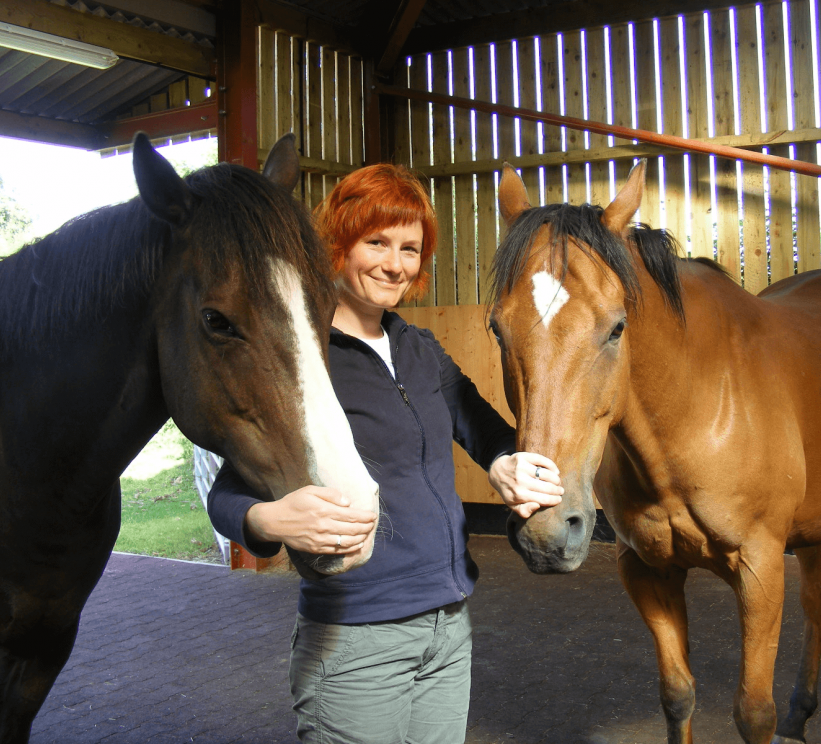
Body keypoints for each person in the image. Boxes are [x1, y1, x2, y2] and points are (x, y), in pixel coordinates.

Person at [206, 162, 564, 744]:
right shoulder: (306, 356)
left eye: (410, 248)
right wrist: (267, 519)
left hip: (448, 629)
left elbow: (481, 425)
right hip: (356, 642)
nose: (394, 263)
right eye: (376, 242)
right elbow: (228, 492)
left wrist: (505, 462)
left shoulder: (418, 348)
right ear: (339, 242)